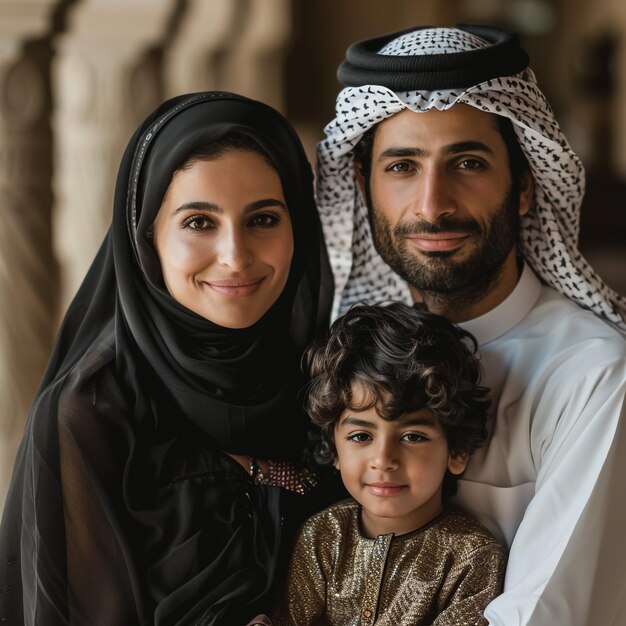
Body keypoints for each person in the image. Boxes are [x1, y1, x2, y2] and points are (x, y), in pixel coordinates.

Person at [315, 24, 626, 626]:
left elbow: (541, 614)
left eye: (468, 162)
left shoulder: (594, 376)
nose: (432, 204)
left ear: (526, 187)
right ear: (362, 186)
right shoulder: (348, 357)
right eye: (402, 166)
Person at [0, 91, 333, 625]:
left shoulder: (333, 378)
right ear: (146, 235)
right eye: (199, 222)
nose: (235, 255)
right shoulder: (93, 413)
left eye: (264, 219)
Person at [270, 302, 506, 626]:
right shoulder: (321, 536)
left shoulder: (472, 556)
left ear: (457, 451)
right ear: (334, 451)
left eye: (412, 437)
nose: (383, 460)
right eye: (360, 437)